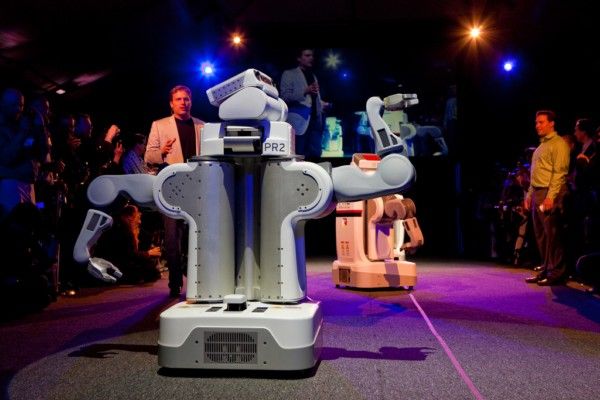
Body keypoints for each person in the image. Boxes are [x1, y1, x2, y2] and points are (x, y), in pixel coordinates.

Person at [145, 85, 204, 298]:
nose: (183, 102)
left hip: (198, 185)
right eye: (178, 99)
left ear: (191, 101)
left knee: (198, 234)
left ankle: (199, 278)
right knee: (172, 236)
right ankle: (175, 282)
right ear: (171, 104)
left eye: (186, 99)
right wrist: (161, 152)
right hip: (172, 185)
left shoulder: (202, 126)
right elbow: (148, 157)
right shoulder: (159, 125)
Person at [525, 110, 571, 286]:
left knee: (552, 235)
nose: (537, 125)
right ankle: (546, 269)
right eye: (536, 122)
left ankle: (557, 272)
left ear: (551, 123)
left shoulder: (559, 144)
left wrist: (551, 197)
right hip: (538, 192)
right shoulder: (540, 147)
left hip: (549, 192)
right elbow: (534, 174)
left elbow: (559, 173)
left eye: (541, 122)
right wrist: (530, 194)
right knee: (541, 235)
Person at [280, 48, 329, 158]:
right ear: (299, 58)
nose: (311, 58)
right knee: (299, 154)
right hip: (299, 121)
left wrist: (322, 104)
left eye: (312, 56)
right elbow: (284, 97)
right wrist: (305, 91)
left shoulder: (313, 76)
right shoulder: (289, 74)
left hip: (315, 121)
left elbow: (313, 99)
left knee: (316, 154)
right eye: (307, 55)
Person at [94, 204, 161, 284]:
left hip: (115, 264)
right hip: (116, 266)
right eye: (137, 215)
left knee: (150, 264)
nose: (139, 219)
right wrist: (149, 253)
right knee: (151, 268)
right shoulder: (123, 230)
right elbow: (131, 255)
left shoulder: (123, 227)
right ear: (129, 217)